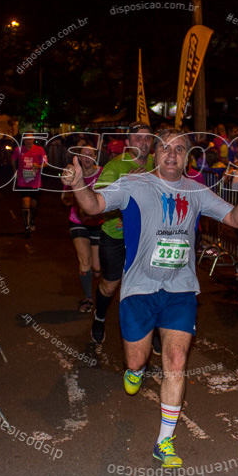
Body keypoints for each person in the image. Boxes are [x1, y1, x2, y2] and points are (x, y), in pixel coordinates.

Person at [63, 128, 238, 467]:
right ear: (155, 154)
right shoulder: (134, 185)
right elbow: (95, 205)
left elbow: (233, 219)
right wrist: (79, 183)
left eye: (179, 149)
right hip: (139, 289)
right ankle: (135, 370)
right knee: (136, 361)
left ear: (187, 157)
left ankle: (164, 442)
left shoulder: (197, 191)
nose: (172, 154)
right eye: (165, 148)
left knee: (175, 362)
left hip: (180, 290)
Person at [91, 122, 155, 344]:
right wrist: (126, 184)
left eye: (148, 138)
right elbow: (96, 201)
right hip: (116, 235)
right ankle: (99, 317)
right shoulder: (115, 167)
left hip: (146, 237)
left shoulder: (158, 164)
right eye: (138, 138)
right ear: (127, 143)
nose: (144, 142)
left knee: (151, 284)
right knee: (110, 285)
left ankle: (151, 330)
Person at [62, 140, 104, 313]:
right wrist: (76, 198)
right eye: (83, 154)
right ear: (78, 157)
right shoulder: (74, 173)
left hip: (98, 222)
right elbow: (64, 198)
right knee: (84, 261)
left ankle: (97, 278)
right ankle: (88, 298)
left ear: (95, 156)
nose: (86, 157)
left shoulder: (103, 173)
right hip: (77, 221)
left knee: (96, 267)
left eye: (90, 154)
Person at [12, 132, 48, 236]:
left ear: (33, 140)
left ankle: (32, 219)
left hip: (35, 182)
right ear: (23, 140)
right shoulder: (18, 150)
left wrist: (39, 166)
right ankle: (26, 226)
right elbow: (13, 160)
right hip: (23, 182)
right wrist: (15, 172)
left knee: (33, 204)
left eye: (30, 139)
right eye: (26, 139)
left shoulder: (39, 150)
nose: (28, 142)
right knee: (25, 203)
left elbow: (46, 163)